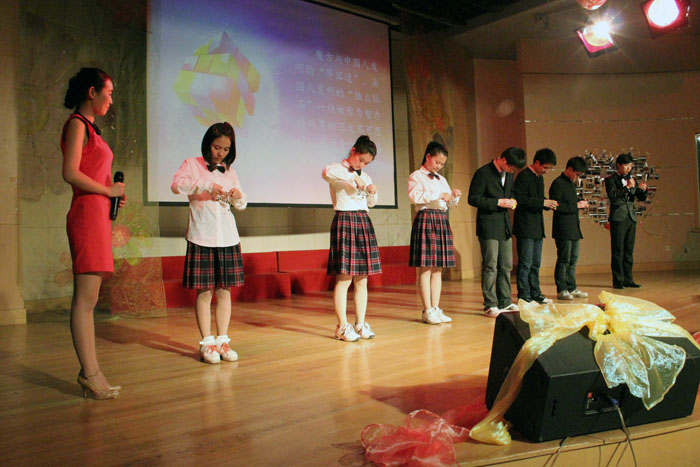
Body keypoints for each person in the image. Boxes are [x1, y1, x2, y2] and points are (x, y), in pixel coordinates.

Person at [61, 68, 125, 399]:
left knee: (91, 298)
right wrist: (107, 190)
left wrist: (112, 193)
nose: (110, 100)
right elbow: (70, 172)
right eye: (108, 93)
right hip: (86, 215)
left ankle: (92, 372)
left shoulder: (91, 129)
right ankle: (90, 373)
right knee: (84, 300)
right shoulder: (77, 124)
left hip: (98, 216)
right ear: (92, 92)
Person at [171, 122, 247, 364]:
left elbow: (242, 204)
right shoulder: (191, 164)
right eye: (217, 147)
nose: (220, 153)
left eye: (226, 149)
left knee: (224, 291)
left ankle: (223, 340)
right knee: (204, 292)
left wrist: (238, 197)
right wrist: (205, 185)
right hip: (201, 236)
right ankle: (207, 343)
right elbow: (176, 186)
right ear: (208, 144)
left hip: (227, 237)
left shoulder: (230, 171)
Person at [322, 135, 381, 341]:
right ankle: (342, 326)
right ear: (353, 150)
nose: (362, 165)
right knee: (344, 277)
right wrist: (353, 177)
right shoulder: (337, 169)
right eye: (361, 160)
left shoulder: (366, 176)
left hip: (363, 221)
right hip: (345, 220)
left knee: (362, 278)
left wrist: (372, 192)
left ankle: (360, 323)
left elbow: (371, 203)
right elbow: (326, 173)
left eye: (366, 163)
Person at [468, 147, 526, 318]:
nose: (512, 171)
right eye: (511, 167)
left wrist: (513, 201)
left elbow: (512, 193)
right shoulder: (483, 173)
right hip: (488, 225)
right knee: (490, 265)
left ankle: (505, 301)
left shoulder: (509, 175)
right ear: (504, 160)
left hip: (504, 225)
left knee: (506, 265)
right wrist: (497, 202)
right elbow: (473, 198)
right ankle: (490, 304)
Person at [408, 142, 461, 325]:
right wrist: (437, 195)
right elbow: (414, 197)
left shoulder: (441, 179)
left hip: (440, 219)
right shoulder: (416, 176)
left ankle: (436, 308)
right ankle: (427, 309)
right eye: (437, 162)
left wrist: (454, 197)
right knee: (426, 267)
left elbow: (447, 203)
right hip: (426, 218)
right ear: (428, 156)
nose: (439, 166)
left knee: (438, 268)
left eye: (442, 164)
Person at [513, 148, 558, 304]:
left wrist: (548, 203)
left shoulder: (539, 178)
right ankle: (524, 295)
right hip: (525, 226)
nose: (546, 171)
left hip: (537, 227)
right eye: (545, 167)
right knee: (525, 263)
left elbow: (538, 199)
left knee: (535, 264)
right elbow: (520, 199)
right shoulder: (523, 176)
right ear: (537, 162)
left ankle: (535, 293)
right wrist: (542, 202)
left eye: (549, 168)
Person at [605, 153, 647, 289]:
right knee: (618, 250)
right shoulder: (610, 179)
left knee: (629, 250)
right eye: (626, 165)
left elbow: (640, 197)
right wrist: (627, 187)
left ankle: (629, 279)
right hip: (618, 216)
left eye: (630, 166)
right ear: (619, 165)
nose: (629, 168)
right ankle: (618, 280)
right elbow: (613, 196)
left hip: (631, 216)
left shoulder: (632, 179)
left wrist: (643, 190)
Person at [549, 156, 589, 300]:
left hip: (574, 227)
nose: (577, 177)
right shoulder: (558, 183)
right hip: (563, 228)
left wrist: (581, 203)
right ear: (570, 169)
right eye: (577, 174)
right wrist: (576, 205)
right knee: (564, 259)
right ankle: (562, 289)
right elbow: (556, 205)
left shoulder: (572, 184)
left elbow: (571, 203)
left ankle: (572, 287)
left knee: (573, 260)